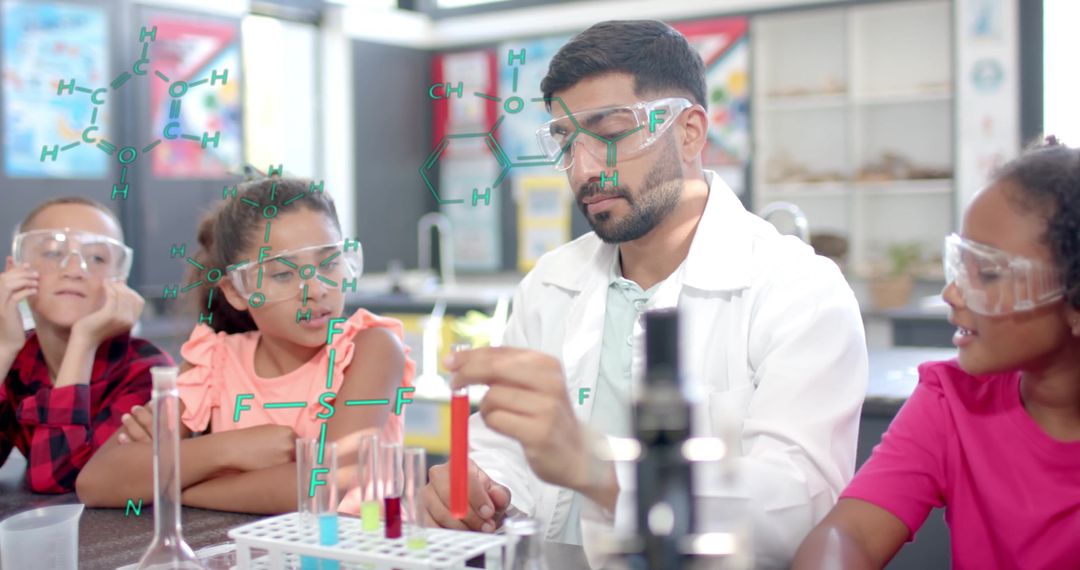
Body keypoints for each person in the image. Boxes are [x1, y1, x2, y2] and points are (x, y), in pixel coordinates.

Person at [421, 20, 868, 567]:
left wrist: (600, 472)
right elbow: (506, 451)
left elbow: (798, 510)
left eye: (609, 131)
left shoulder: (799, 289)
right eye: (566, 140)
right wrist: (479, 486)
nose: (583, 170)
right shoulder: (549, 283)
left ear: (689, 132)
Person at [792, 138, 1080, 569]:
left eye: (988, 274)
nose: (952, 293)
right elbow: (851, 532)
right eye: (960, 264)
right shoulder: (951, 401)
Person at [76, 178, 415, 513]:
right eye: (283, 274)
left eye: (328, 263)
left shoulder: (371, 348)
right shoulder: (214, 362)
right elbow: (98, 481)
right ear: (237, 291)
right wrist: (228, 449)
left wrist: (175, 488)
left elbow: (321, 484)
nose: (316, 289)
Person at [0, 197, 171, 494]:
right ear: (14, 269)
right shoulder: (18, 358)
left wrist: (84, 340)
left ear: (120, 278)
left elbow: (57, 478)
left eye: (96, 258)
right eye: (53, 253)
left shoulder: (146, 370)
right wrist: (3, 349)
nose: (74, 270)